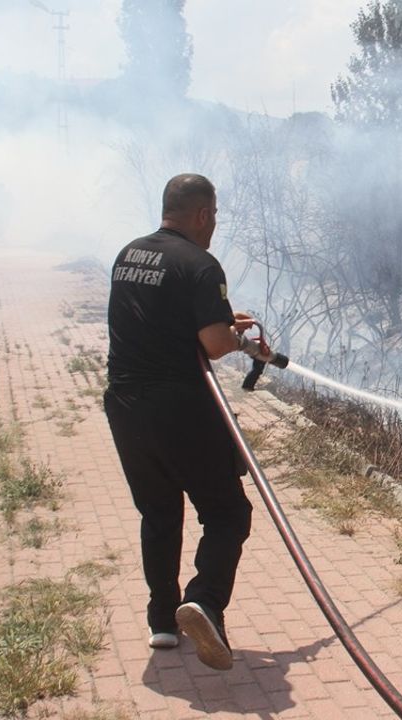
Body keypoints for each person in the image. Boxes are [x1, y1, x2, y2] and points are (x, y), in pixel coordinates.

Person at [104, 173, 269, 670]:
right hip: (180, 408)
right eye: (213, 216)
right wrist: (243, 342)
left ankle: (161, 622)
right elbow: (215, 345)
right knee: (227, 513)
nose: (214, 225)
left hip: (125, 407)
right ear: (201, 214)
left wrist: (218, 319)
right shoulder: (201, 264)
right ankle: (205, 603)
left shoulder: (129, 254)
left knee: (158, 514)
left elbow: (163, 319)